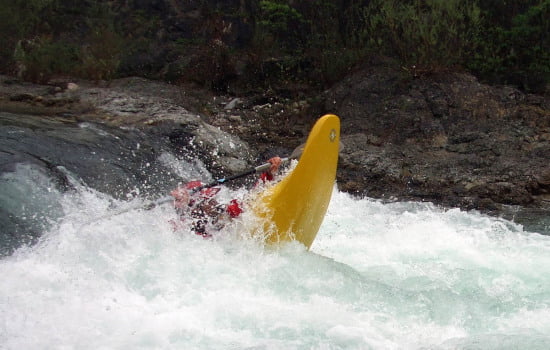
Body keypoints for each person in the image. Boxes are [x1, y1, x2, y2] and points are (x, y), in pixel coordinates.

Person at [170, 156, 282, 237]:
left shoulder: (229, 211)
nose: (212, 203)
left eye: (212, 200)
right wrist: (177, 198)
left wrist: (269, 173)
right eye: (206, 202)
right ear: (195, 207)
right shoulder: (184, 226)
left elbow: (256, 194)